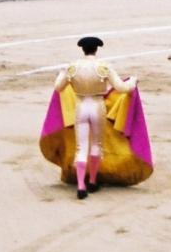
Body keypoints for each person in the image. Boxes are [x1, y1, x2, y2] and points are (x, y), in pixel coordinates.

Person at [52, 36, 137, 198]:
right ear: (96, 49)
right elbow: (121, 87)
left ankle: (81, 186)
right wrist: (133, 81)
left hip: (81, 107)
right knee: (96, 144)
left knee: (81, 147)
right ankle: (92, 181)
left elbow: (58, 88)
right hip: (97, 106)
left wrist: (61, 73)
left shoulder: (72, 67)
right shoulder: (104, 67)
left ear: (83, 50)